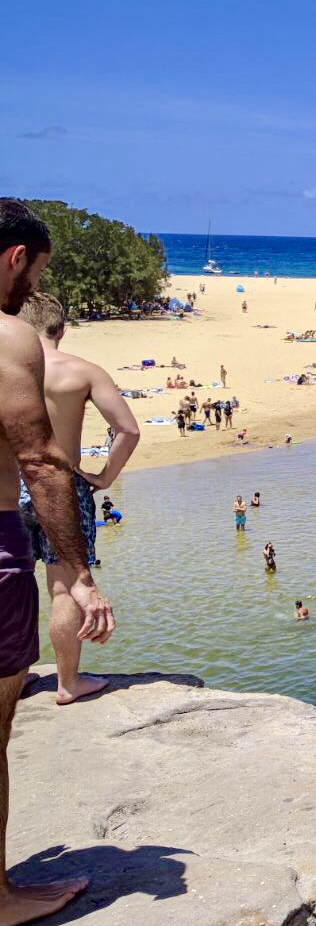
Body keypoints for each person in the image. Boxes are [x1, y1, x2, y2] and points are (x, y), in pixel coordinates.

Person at [0, 198, 115, 926]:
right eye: (35, 271)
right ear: (16, 258)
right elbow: (41, 462)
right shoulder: (9, 339)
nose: (31, 290)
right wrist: (78, 572)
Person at [14, 293, 139, 701]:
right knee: (64, 585)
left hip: (6, 485)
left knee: (10, 581)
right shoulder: (82, 371)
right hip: (61, 485)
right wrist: (103, 477)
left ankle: (13, 675)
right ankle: (68, 682)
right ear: (61, 330)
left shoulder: (5, 369)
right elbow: (128, 430)